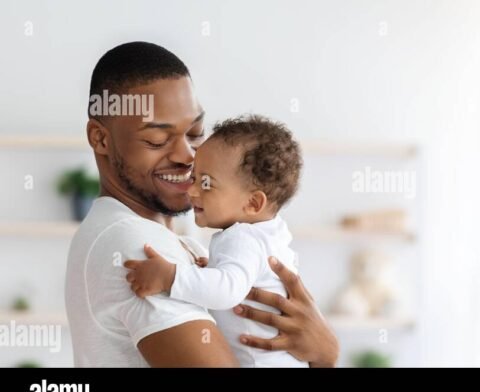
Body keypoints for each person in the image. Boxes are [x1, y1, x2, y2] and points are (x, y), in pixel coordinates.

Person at [64, 41, 338, 367]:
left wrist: (321, 352)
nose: (187, 156)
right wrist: (325, 355)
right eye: (157, 139)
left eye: (195, 133)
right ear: (100, 138)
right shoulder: (135, 246)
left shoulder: (189, 247)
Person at [124, 114, 307, 367]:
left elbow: (227, 291)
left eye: (207, 183)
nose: (192, 190)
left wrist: (170, 277)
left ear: (253, 203)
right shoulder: (268, 234)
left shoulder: (243, 238)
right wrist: (213, 270)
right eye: (195, 177)